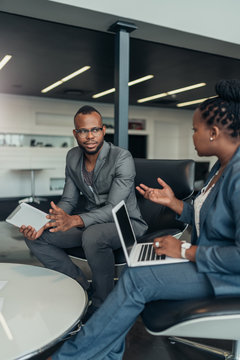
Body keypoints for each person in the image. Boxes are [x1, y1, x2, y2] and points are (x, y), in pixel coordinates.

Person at [47, 79, 240, 360]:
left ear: (213, 132)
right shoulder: (220, 167)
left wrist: (185, 250)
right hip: (210, 265)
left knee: (136, 279)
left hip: (225, 276)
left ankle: (69, 357)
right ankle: (106, 353)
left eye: (195, 130)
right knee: (136, 269)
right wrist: (174, 204)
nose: (193, 136)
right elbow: (211, 221)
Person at [20, 105, 147, 316]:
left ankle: (102, 303)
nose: (89, 136)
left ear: (103, 130)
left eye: (95, 130)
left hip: (125, 223)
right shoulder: (72, 157)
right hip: (88, 225)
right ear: (75, 133)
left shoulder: (121, 157)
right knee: (37, 236)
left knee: (93, 235)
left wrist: (75, 220)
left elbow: (114, 207)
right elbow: (68, 199)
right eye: (83, 131)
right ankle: (80, 286)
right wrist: (49, 220)